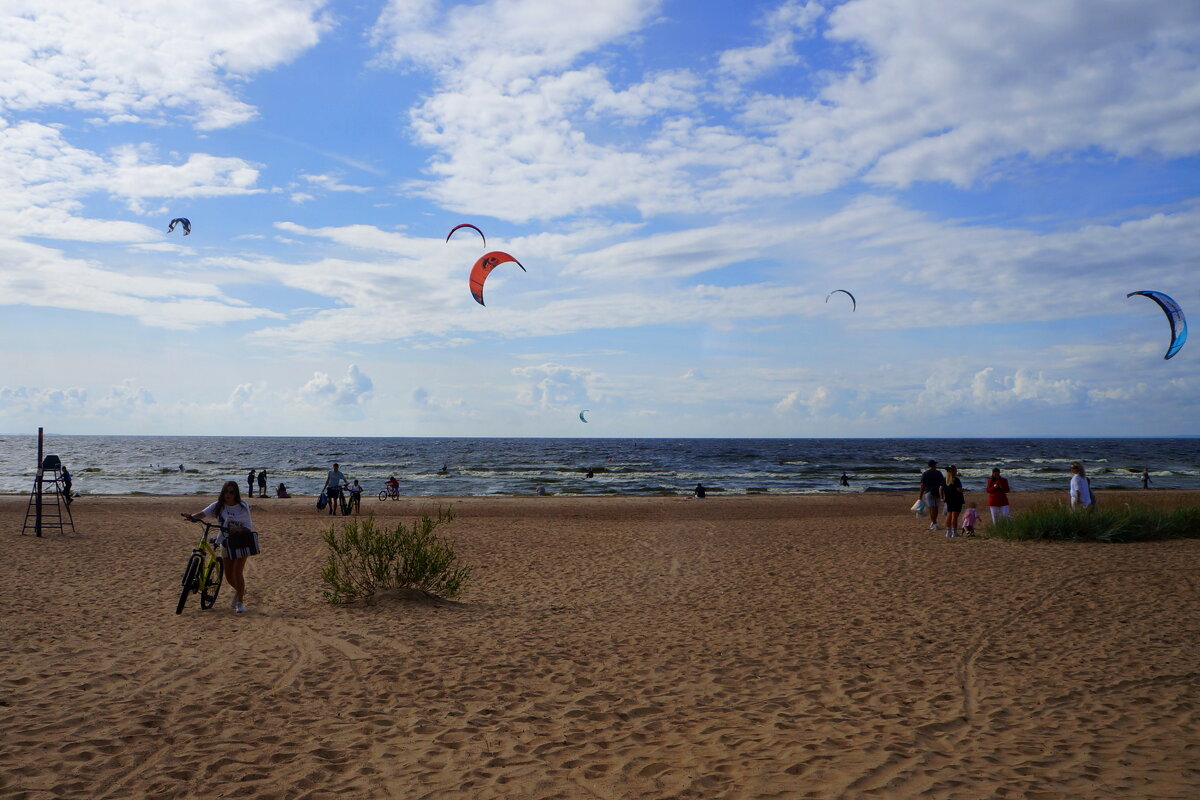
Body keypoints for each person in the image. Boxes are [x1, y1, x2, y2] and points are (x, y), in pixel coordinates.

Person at [184, 480, 258, 613]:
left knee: (237, 572)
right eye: (226, 491)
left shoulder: (242, 506)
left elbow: (248, 527)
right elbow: (202, 514)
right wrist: (192, 517)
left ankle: (240, 602)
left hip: (241, 541)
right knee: (229, 576)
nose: (228, 494)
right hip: (226, 541)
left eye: (231, 492)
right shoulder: (218, 506)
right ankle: (240, 591)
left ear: (236, 494)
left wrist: (238, 530)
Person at [919, 460, 945, 531]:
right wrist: (943, 493)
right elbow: (943, 483)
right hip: (937, 492)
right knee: (935, 508)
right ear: (933, 465)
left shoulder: (925, 473)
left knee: (931, 509)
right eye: (935, 465)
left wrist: (920, 495)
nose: (936, 466)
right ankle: (934, 522)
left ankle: (934, 523)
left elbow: (923, 485)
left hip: (929, 491)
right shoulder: (939, 473)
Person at [942, 465, 965, 537]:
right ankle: (954, 532)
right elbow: (958, 489)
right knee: (954, 516)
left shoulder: (945, 479)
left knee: (949, 515)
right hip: (957, 498)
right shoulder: (956, 479)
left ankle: (948, 532)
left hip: (949, 499)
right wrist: (963, 490)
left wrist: (942, 497)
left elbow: (940, 488)